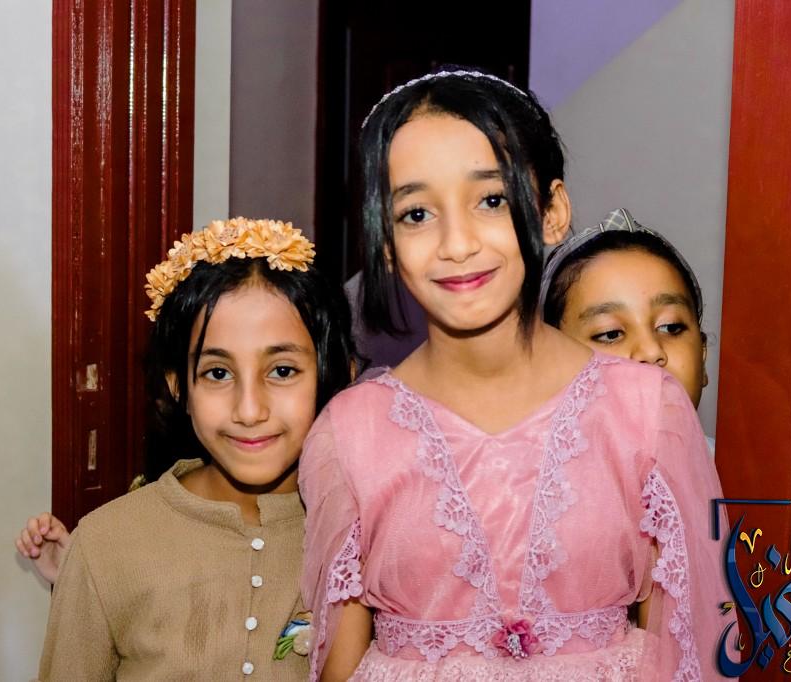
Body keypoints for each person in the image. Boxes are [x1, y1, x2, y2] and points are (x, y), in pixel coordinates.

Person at [300, 70, 731, 680]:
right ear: (386, 244)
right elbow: (337, 661)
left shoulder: (645, 410)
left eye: (491, 200)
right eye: (416, 213)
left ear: (552, 211)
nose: (456, 243)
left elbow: (689, 643)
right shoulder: (348, 435)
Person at [35, 218, 355, 680]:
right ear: (178, 387)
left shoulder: (359, 536)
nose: (250, 410)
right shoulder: (105, 544)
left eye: (282, 371)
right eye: (217, 373)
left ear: (332, 375)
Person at [540, 207, 716, 454]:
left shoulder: (743, 470)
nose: (651, 351)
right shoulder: (523, 476)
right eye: (611, 334)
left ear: (703, 357)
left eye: (670, 327)